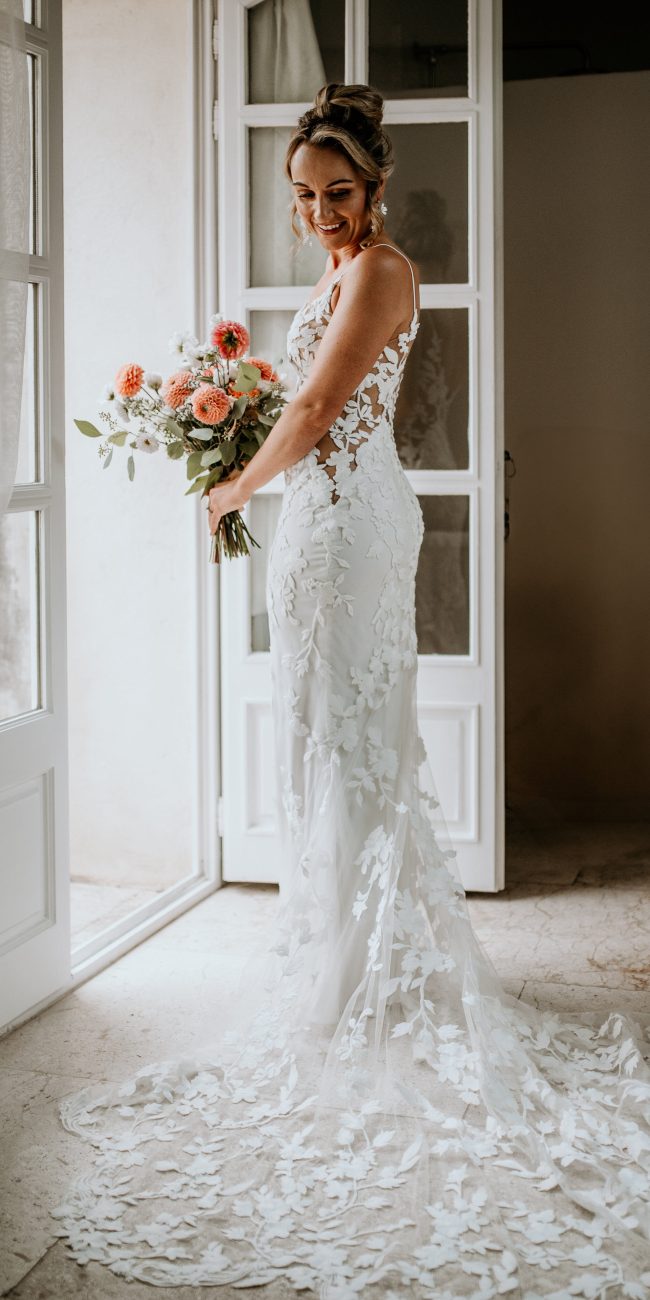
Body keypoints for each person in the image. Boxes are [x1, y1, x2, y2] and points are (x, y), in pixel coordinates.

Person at [54, 83, 650, 1296]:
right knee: (330, 743)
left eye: (337, 192)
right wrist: (225, 437)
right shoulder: (337, 274)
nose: (319, 213)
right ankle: (341, 955)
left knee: (356, 744)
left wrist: (231, 492)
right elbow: (297, 405)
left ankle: (355, 975)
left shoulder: (381, 272)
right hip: (322, 525)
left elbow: (321, 407)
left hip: (349, 526)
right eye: (302, 198)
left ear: (374, 191)